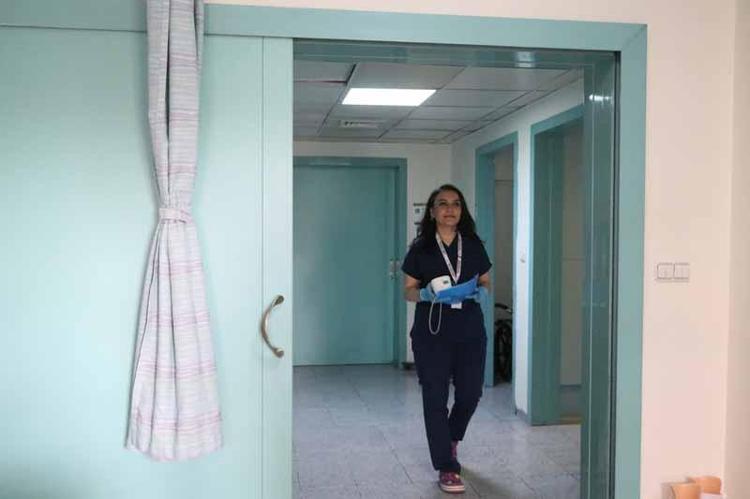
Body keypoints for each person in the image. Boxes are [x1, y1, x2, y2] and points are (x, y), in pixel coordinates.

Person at [401, 184, 492, 494]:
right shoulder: (421, 248)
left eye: (456, 203)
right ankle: (446, 466)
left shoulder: (474, 246)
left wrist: (482, 292)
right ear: (432, 211)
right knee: (435, 398)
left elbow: (486, 281)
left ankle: (450, 437)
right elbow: (408, 291)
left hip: (469, 329)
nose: (450, 209)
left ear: (462, 211)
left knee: (471, 393)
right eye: (443, 203)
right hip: (432, 331)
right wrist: (425, 294)